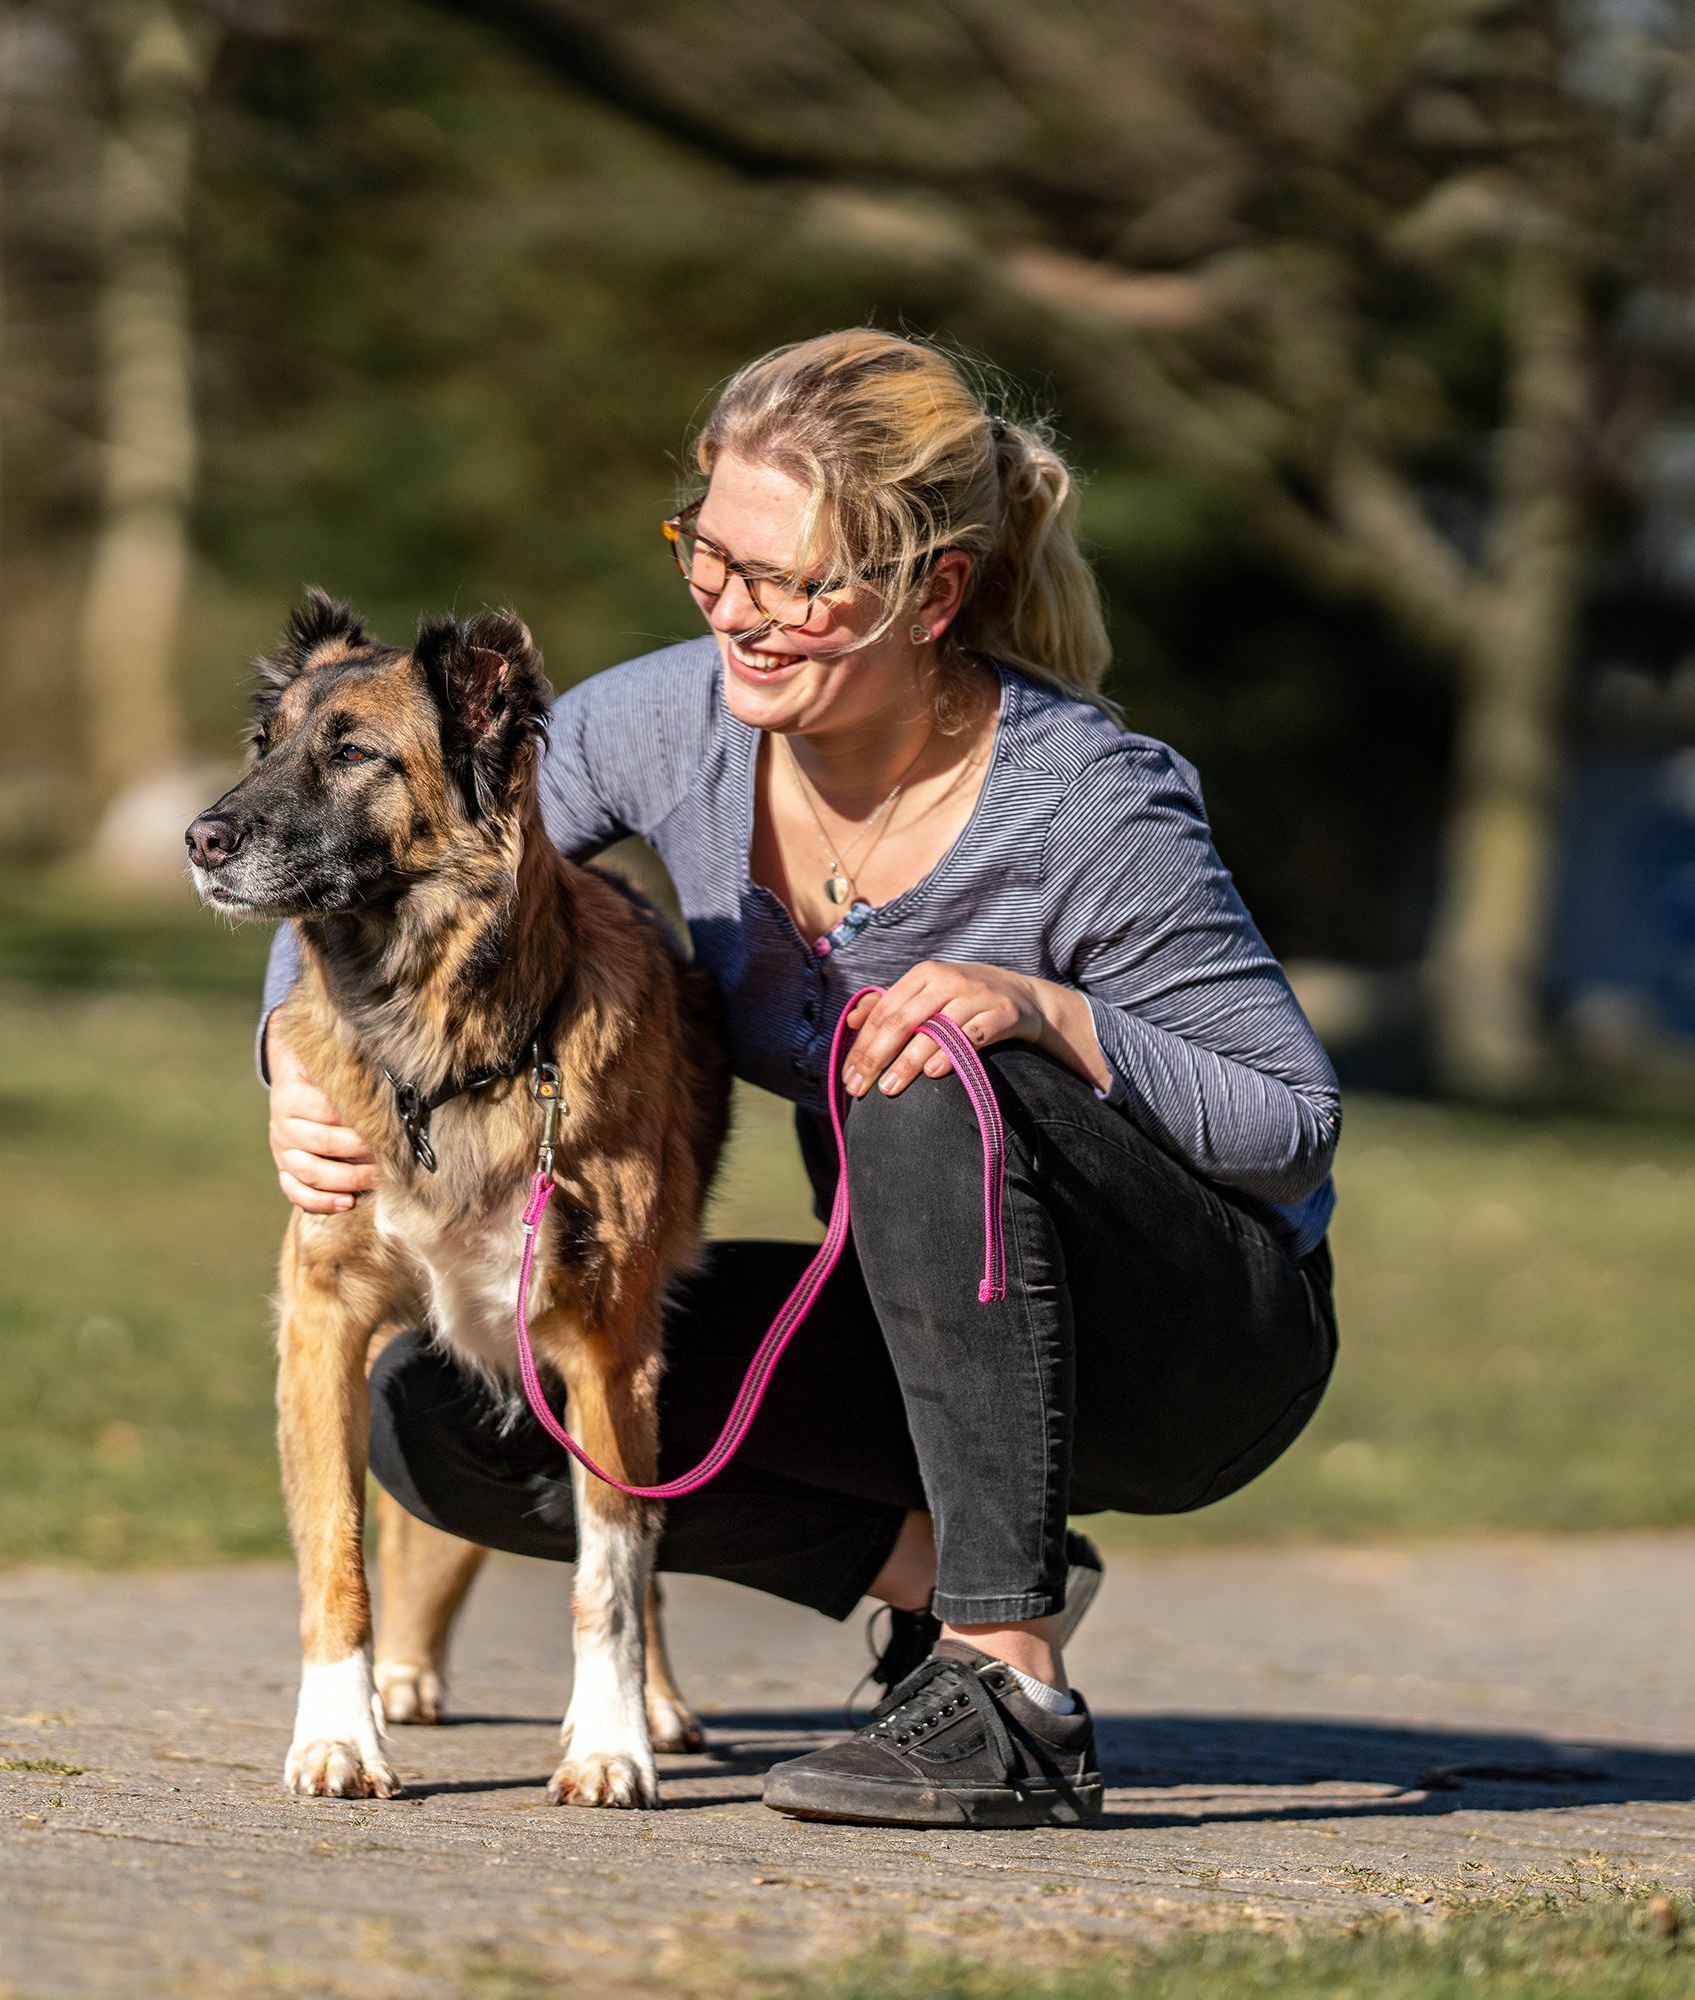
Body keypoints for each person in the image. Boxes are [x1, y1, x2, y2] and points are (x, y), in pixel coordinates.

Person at [256, 329, 1340, 1830]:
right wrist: (289, 1070)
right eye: (710, 555)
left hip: (1192, 1347)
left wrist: (1041, 1010)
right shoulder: (673, 720)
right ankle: (950, 1569)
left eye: (795, 584)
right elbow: (392, 839)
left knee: (913, 1059)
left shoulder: (1090, 799)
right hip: (926, 1325)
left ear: (931, 593)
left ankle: (1006, 1690)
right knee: (446, 1425)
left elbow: (1293, 1124)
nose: (737, 614)